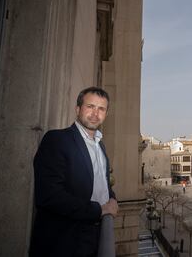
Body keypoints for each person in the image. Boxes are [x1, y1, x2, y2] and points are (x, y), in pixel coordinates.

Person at [29, 87, 118, 257]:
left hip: (95, 237)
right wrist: (100, 210)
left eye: (101, 109)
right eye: (90, 106)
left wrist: (112, 198)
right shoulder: (57, 140)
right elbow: (49, 196)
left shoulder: (100, 146)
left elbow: (102, 182)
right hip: (65, 241)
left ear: (106, 114)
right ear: (78, 109)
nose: (95, 113)